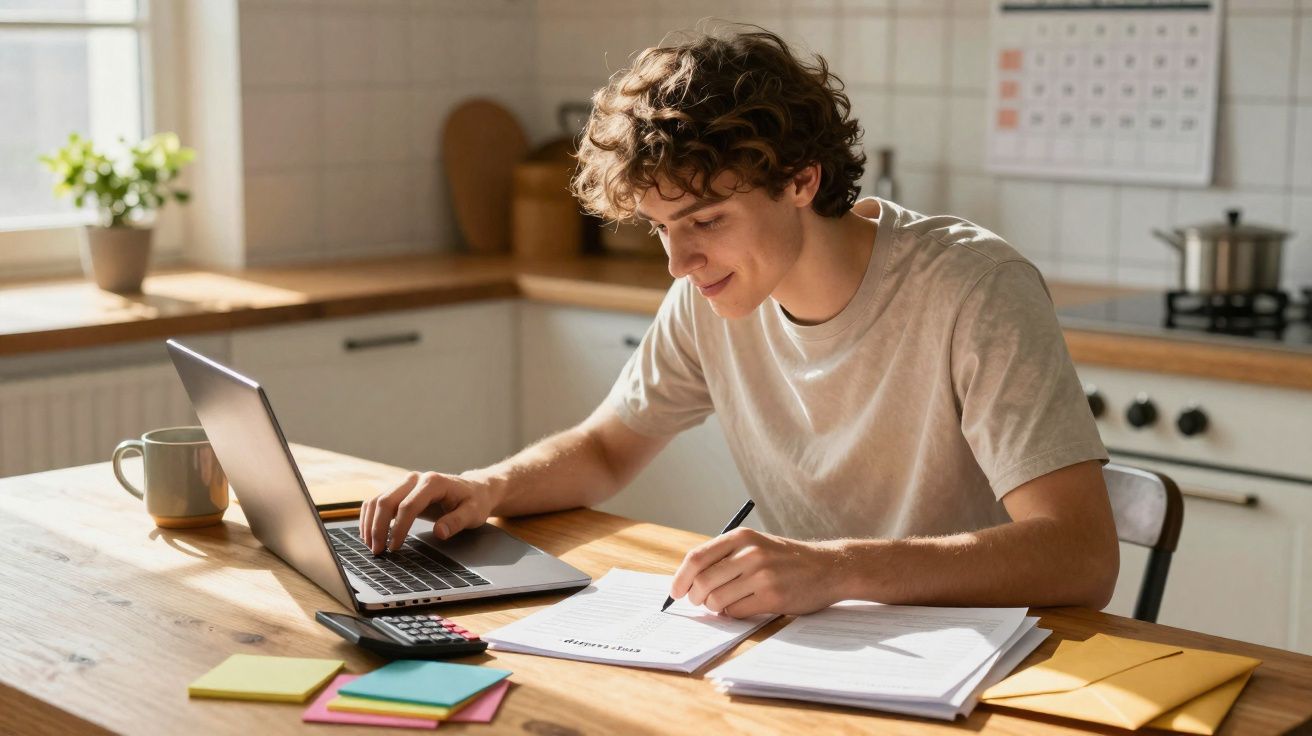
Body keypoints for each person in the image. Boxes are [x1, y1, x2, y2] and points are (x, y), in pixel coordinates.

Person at [362, 24, 1119, 619]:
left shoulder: (975, 288)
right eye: (661, 228)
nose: (679, 262)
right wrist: (486, 487)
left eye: (706, 220)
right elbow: (604, 450)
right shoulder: (712, 293)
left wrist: (835, 569)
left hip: (981, 660)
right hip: (807, 642)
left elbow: (1081, 557)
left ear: (801, 180)